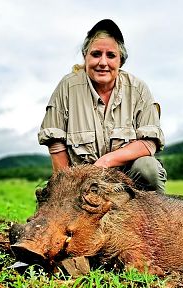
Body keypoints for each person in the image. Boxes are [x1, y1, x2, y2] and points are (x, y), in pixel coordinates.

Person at [38, 19, 167, 193]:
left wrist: (105, 162)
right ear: (85, 57)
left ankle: (154, 219)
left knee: (148, 168)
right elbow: (55, 144)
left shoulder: (138, 89)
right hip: (81, 184)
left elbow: (149, 143)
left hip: (127, 185)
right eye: (96, 54)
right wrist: (67, 190)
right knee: (52, 199)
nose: (103, 63)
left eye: (111, 55)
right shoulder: (67, 86)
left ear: (120, 61)